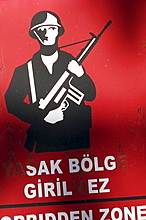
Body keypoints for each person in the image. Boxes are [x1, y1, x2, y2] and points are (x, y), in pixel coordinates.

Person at [5, 11, 96, 153]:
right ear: (35, 34)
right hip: (46, 138)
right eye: (42, 29)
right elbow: (11, 102)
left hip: (78, 137)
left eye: (52, 28)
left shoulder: (72, 63)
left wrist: (81, 74)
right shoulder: (24, 70)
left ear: (59, 31)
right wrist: (43, 116)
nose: (47, 33)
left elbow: (90, 95)